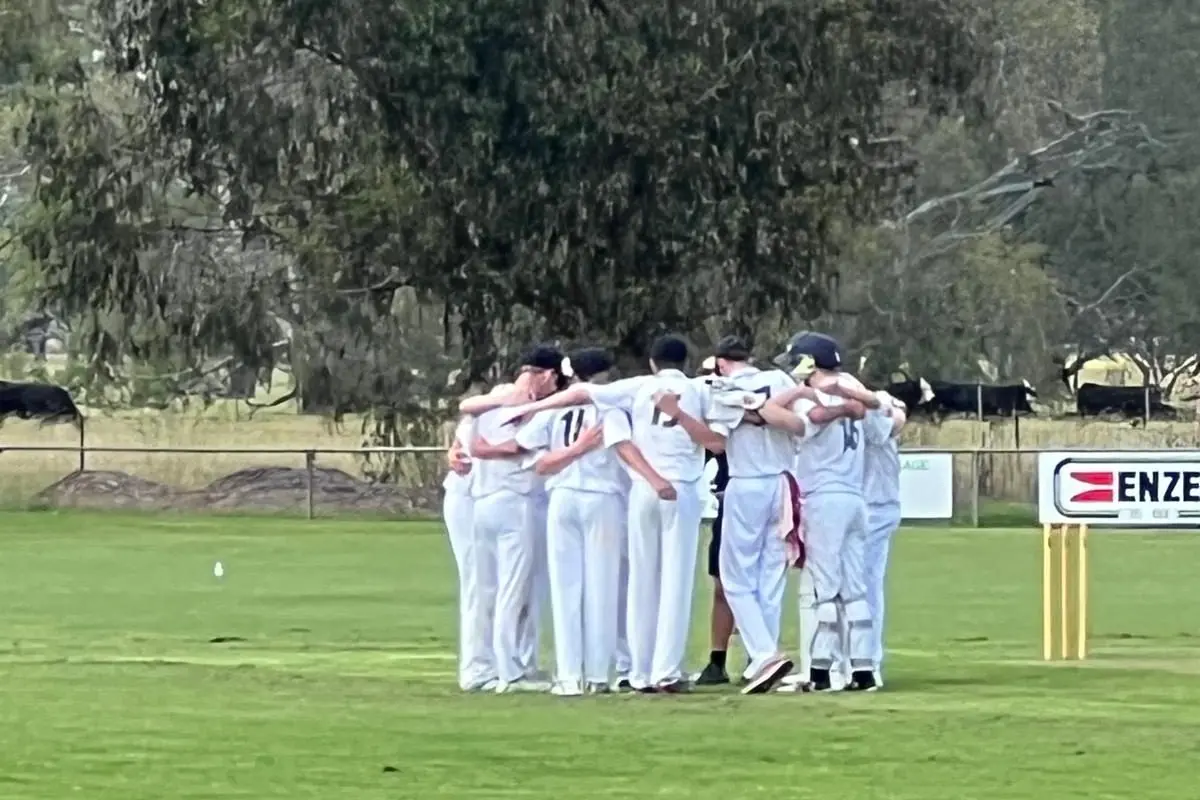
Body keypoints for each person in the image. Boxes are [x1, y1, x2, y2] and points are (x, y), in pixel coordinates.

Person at [510, 335, 741, 692]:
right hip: (676, 486)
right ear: (686, 362)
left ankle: (637, 671)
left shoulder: (638, 387)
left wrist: (530, 408)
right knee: (673, 581)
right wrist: (679, 417)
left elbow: (580, 395)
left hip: (638, 490)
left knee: (639, 582)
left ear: (652, 362)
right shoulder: (699, 389)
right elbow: (716, 443)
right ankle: (664, 670)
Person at [513, 348, 660, 696]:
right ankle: (596, 674)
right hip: (601, 498)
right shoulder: (609, 407)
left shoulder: (554, 409)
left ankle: (569, 676)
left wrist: (567, 453)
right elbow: (623, 447)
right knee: (602, 587)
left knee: (566, 588)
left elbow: (535, 460)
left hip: (562, 497)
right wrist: (653, 479)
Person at [759, 331, 881, 692]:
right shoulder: (853, 387)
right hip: (855, 496)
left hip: (825, 496)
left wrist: (799, 393)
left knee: (824, 590)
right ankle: (863, 670)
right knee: (855, 588)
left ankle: (821, 673)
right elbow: (880, 420)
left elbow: (775, 413)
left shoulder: (816, 394)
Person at [702, 335, 799, 694]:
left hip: (746, 481)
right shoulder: (780, 379)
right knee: (770, 577)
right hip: (783, 481)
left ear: (721, 362)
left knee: (735, 578)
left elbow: (716, 442)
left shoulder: (722, 388)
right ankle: (763, 662)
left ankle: (764, 655)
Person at [465, 347, 564, 693]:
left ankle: (485, 667)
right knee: (514, 590)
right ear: (548, 375)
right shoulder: (535, 408)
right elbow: (520, 448)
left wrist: (484, 450)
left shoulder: (490, 401)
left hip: (483, 501)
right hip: (516, 501)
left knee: (488, 589)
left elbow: (472, 442)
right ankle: (510, 672)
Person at [443, 382, 510, 692]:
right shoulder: (498, 402)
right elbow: (463, 437)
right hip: (468, 497)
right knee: (479, 584)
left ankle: (501, 662)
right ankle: (477, 668)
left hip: (488, 499)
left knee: (498, 586)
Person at [694, 356, 736, 687]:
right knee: (722, 585)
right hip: (726, 505)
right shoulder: (711, 424)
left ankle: (761, 657)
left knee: (757, 586)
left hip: (753, 501)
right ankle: (717, 661)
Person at [861, 389, 906, 688]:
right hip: (866, 503)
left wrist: (892, 411)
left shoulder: (873, 404)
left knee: (865, 586)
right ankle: (851, 660)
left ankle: (865, 661)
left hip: (875, 505)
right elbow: (899, 414)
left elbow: (894, 418)